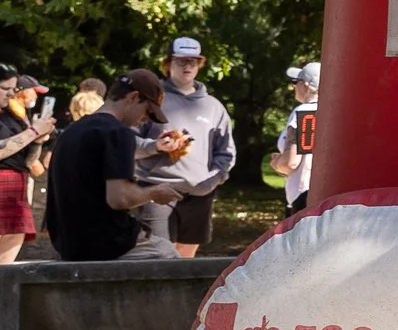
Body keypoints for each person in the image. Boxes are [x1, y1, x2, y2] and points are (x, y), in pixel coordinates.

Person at [44, 70, 184, 263]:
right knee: (170, 256)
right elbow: (119, 198)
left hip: (67, 244)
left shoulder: (70, 132)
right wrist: (154, 193)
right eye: (147, 111)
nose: (145, 119)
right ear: (133, 97)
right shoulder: (118, 133)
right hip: (108, 243)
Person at [139, 35, 235, 256]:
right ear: (168, 63)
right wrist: (155, 146)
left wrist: (215, 179)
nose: (187, 66)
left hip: (199, 191)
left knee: (187, 256)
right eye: (181, 61)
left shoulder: (213, 106)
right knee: (159, 254)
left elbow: (226, 152)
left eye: (193, 61)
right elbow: (128, 143)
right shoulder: (150, 100)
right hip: (156, 190)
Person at [1, 72, 57, 263]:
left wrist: (38, 140)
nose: (11, 93)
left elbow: (27, 161)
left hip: (16, 187)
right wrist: (33, 131)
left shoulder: (12, 115)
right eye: (5, 88)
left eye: (13, 88)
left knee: (6, 266)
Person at [270, 63, 320, 214]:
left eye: (295, 82)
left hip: (303, 195)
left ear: (305, 86)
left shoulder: (303, 112)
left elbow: (290, 163)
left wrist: (277, 163)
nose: (294, 87)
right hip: (327, 193)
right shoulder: (334, 112)